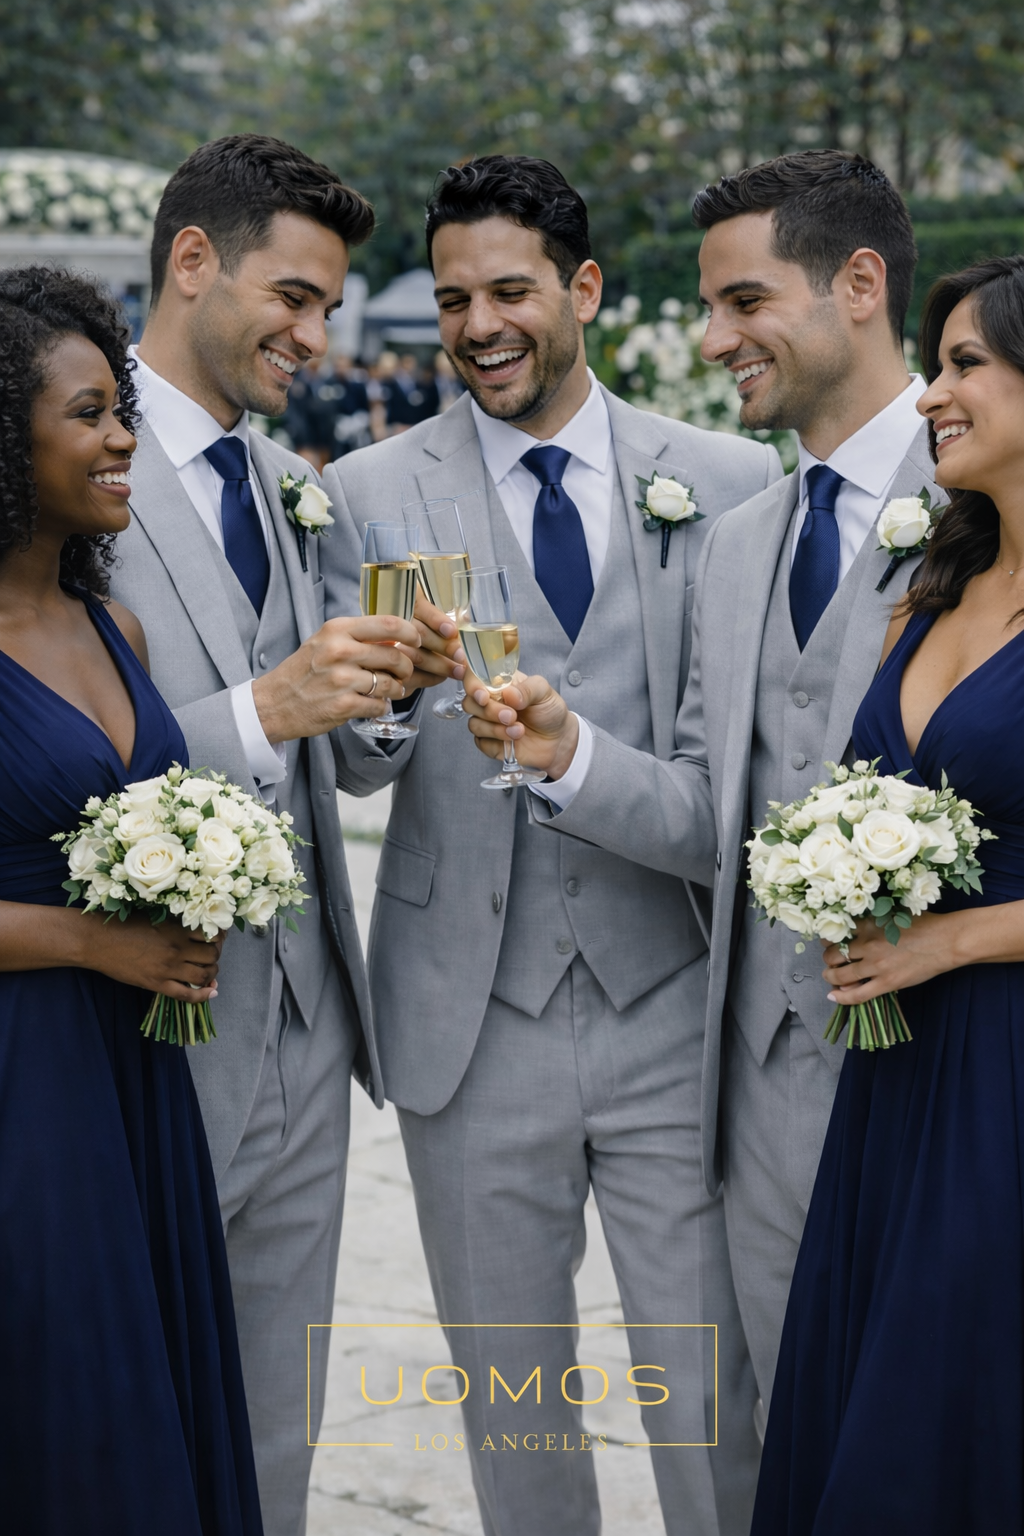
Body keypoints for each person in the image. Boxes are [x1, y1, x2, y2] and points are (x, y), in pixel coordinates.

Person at [323, 154, 783, 1536]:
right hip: (470, 1020)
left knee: (708, 1400)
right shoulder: (365, 487)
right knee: (514, 1406)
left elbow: (736, 769)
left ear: (581, 289)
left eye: (510, 290)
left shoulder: (728, 479)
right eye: (456, 299)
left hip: (669, 1007)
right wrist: (397, 691)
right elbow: (353, 754)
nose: (477, 326)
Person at [463, 150, 939, 1437]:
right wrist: (568, 757)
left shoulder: (986, 497)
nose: (714, 337)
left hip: (956, 1078)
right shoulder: (739, 543)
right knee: (788, 1443)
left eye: (741, 301)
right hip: (761, 1095)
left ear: (856, 283)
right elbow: (704, 823)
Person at [91, 134, 447, 1536]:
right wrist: (262, 702)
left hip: (309, 1017)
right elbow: (50, 757)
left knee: (276, 1425)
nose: (316, 334)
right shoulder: (60, 453)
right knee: (126, 1399)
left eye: (328, 310)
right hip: (138, 1021)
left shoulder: (285, 480)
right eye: (293, 298)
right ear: (191, 263)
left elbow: (340, 765)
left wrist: (387, 694)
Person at [751, 254, 1024, 1533]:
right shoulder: (942, 584)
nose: (931, 395)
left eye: (965, 364)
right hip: (899, 1079)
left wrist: (959, 935)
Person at [0, 266, 262, 1533]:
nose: (122, 441)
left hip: (136, 1080)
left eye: (124, 413)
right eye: (92, 413)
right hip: (23, 1082)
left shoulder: (119, 633)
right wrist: (96, 942)